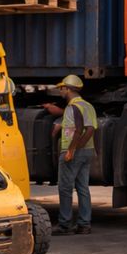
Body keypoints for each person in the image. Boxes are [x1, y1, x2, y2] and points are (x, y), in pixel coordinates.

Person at [42, 74, 98, 235]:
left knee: (65, 188)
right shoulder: (87, 106)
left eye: (62, 88)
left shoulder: (71, 107)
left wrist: (72, 149)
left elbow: (80, 130)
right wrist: (62, 126)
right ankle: (84, 224)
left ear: (67, 89)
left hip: (72, 152)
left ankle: (64, 225)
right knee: (83, 188)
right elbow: (90, 128)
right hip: (87, 151)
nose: (60, 91)